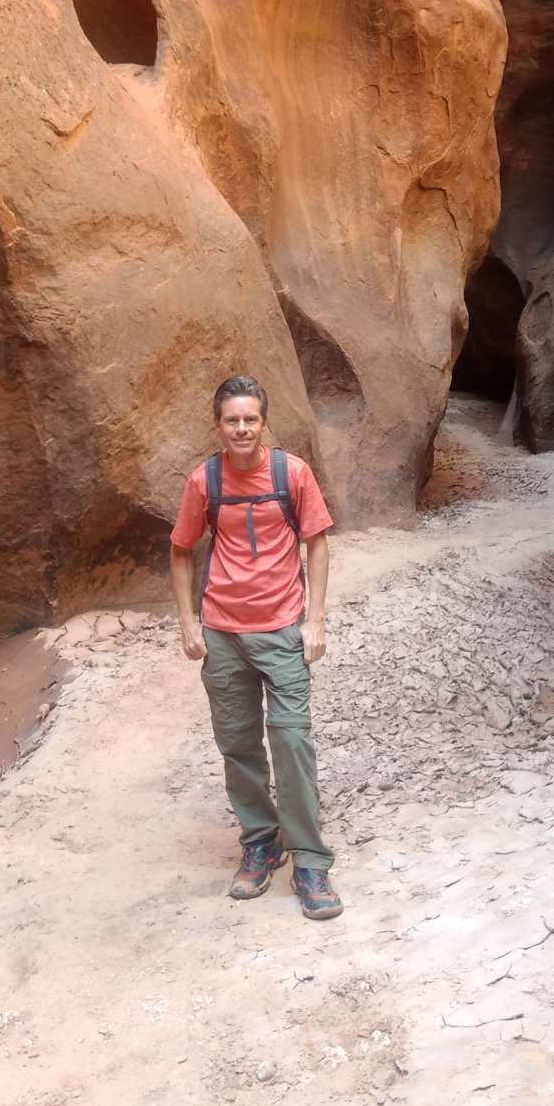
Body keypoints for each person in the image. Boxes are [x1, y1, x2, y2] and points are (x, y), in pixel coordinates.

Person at [169, 375, 342, 921]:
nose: (241, 428)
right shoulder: (204, 481)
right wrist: (188, 622)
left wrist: (315, 620)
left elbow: (316, 542)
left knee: (291, 741)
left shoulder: (292, 474)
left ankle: (309, 860)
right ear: (217, 426)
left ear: (264, 423)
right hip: (223, 634)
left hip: (282, 630)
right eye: (231, 420)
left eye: (250, 419)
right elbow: (180, 549)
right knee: (238, 743)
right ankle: (261, 841)